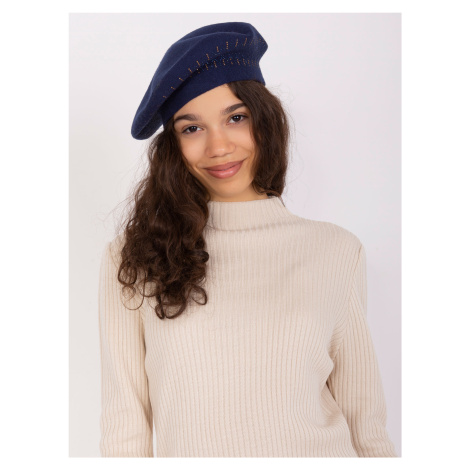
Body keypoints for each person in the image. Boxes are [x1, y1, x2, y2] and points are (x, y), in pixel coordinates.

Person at [98, 21, 397, 458]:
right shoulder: (135, 258)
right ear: (173, 147)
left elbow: (366, 426)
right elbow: (124, 431)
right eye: (191, 128)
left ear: (264, 120)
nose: (218, 146)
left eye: (235, 118)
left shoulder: (337, 251)